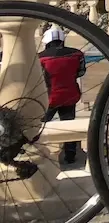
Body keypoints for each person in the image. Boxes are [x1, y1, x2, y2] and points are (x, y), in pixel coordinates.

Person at [38, 26, 86, 167]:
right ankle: (70, 156)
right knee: (68, 125)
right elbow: (81, 72)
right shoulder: (77, 54)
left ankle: (36, 151)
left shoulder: (40, 57)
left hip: (49, 97)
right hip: (70, 95)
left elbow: (38, 78)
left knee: (39, 126)